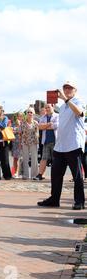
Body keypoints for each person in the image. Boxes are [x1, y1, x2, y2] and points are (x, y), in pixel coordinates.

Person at [38, 81, 85, 210]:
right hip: (60, 145)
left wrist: (65, 99)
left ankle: (79, 201)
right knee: (56, 174)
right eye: (65, 88)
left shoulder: (78, 101)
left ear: (75, 90)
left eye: (70, 88)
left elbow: (79, 113)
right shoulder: (63, 106)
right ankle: (54, 199)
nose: (67, 89)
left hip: (74, 144)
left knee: (77, 175)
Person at [34, 103, 59, 180]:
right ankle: (40, 175)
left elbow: (56, 126)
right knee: (43, 158)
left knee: (56, 159)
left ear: (53, 107)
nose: (47, 109)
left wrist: (45, 126)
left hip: (56, 141)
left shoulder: (57, 116)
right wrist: (49, 124)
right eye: (46, 108)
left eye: (48, 107)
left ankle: (56, 175)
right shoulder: (43, 117)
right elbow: (40, 127)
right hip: (46, 141)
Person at [19, 108, 39, 180]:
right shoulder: (22, 123)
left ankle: (34, 175)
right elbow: (20, 133)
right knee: (25, 159)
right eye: (28, 112)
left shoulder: (36, 123)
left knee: (34, 159)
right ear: (26, 114)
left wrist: (37, 143)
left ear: (33, 114)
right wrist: (20, 143)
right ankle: (25, 175)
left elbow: (37, 133)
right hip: (24, 142)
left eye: (31, 112)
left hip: (33, 142)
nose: (30, 114)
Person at [11, 112, 24, 178]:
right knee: (15, 158)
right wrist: (17, 130)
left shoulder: (24, 123)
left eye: (21, 116)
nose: (19, 117)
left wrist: (18, 129)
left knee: (22, 158)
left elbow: (23, 131)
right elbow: (11, 131)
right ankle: (15, 172)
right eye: (18, 116)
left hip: (22, 143)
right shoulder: (13, 124)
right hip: (15, 143)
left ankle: (21, 172)